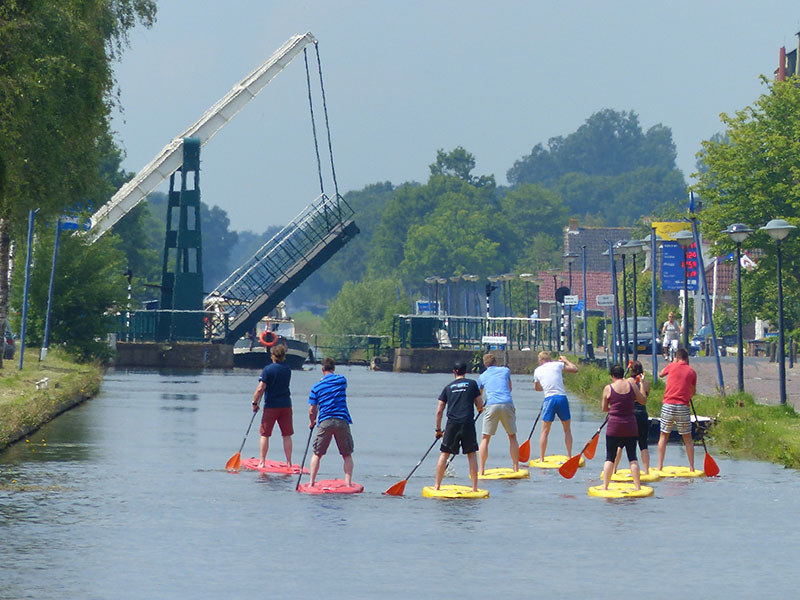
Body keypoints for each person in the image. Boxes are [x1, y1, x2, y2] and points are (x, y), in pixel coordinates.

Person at [434, 361, 484, 491]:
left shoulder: (448, 387)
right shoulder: (472, 384)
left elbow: (439, 411)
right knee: (471, 454)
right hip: (468, 422)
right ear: (465, 371)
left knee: (444, 454)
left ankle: (437, 486)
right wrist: (480, 409)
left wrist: (438, 430)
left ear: (454, 372)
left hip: (452, 424)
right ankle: (474, 487)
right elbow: (479, 404)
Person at [307, 357, 354, 486]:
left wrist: (312, 422)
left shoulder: (316, 387)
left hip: (325, 421)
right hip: (341, 420)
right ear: (333, 368)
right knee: (347, 454)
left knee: (317, 453)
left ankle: (311, 482)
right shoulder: (341, 380)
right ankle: (348, 483)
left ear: (322, 369)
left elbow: (312, 410)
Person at [601, 363, 646, 490]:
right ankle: (637, 487)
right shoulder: (631, 384)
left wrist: (615, 408)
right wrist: (641, 384)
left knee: (610, 457)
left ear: (612, 376)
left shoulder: (608, 388)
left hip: (614, 426)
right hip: (630, 425)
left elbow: (604, 408)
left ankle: (605, 487)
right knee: (632, 457)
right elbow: (642, 400)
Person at [252, 344, 293, 468]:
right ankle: (289, 462)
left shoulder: (268, 369)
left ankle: (262, 461)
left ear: (272, 356)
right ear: (283, 356)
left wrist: (255, 403)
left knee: (265, 434)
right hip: (286, 405)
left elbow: (260, 389)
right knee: (287, 435)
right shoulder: (287, 369)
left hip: (271, 406)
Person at [477, 353, 519, 474]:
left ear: (485, 365)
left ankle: (481, 470)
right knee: (512, 436)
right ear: (496, 362)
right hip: (507, 403)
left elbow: (479, 396)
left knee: (485, 438)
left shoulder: (482, 376)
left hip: (491, 405)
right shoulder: (505, 371)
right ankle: (516, 468)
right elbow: (509, 388)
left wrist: (479, 408)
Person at [533, 352, 579, 461]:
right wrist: (565, 360)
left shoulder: (537, 371)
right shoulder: (557, 364)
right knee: (567, 430)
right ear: (549, 359)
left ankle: (542, 458)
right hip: (562, 398)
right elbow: (574, 369)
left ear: (540, 361)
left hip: (549, 399)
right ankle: (569, 456)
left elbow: (537, 388)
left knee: (544, 431)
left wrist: (546, 384)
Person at [657, 347, 696, 472]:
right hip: (683, 405)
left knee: (664, 435)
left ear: (677, 357)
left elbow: (661, 373)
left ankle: (660, 466)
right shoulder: (691, 372)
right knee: (687, 437)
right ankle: (691, 467)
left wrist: (673, 363)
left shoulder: (671, 366)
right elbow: (693, 391)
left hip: (668, 404)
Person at [614, 360, 652, 474]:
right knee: (643, 444)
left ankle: (614, 469)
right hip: (641, 415)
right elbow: (644, 397)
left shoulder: (626, 382)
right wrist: (641, 383)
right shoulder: (647, 383)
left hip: (629, 415)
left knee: (620, 444)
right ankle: (646, 471)